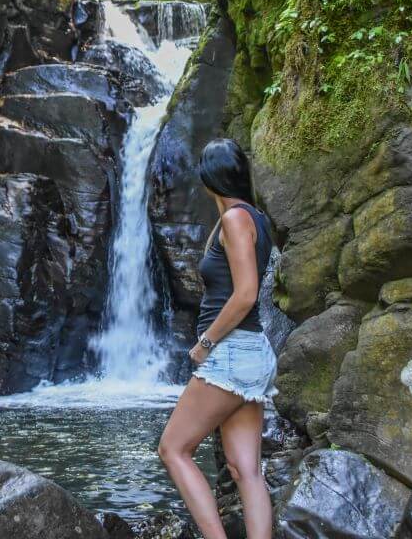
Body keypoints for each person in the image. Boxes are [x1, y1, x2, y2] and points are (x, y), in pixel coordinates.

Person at [158, 138, 277, 539]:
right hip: (251, 353)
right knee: (246, 470)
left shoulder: (235, 221)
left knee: (173, 449)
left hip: (231, 353)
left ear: (209, 177)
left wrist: (205, 343)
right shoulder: (250, 217)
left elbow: (245, 294)